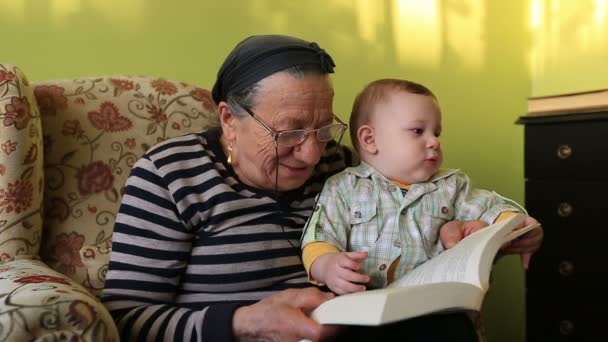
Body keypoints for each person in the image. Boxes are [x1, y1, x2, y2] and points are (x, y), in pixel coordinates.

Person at [102, 35, 544, 342]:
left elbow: (414, 212)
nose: (313, 155)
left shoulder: (342, 164)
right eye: (289, 133)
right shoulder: (171, 174)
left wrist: (483, 233)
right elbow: (125, 319)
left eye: (324, 129)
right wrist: (242, 323)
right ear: (228, 120)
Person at [301, 78, 539, 295]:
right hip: (365, 306)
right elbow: (320, 235)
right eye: (418, 131)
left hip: (432, 305)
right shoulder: (343, 188)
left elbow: (491, 209)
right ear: (370, 140)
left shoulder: (450, 186)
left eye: (436, 132)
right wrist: (328, 266)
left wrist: (520, 226)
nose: (434, 141)